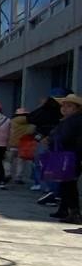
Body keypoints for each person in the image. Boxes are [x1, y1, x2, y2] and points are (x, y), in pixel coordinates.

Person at [47, 93, 81, 222]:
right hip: (64, 154)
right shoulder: (67, 120)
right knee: (65, 184)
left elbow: (67, 138)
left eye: (69, 106)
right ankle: (64, 209)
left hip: (70, 155)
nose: (64, 108)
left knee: (69, 185)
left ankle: (74, 212)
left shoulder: (75, 120)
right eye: (63, 105)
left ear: (77, 108)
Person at [9, 107, 35, 185]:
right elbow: (31, 132)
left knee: (8, 161)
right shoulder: (30, 123)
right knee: (20, 162)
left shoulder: (12, 121)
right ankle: (18, 177)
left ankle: (7, 174)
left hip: (12, 144)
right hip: (23, 145)